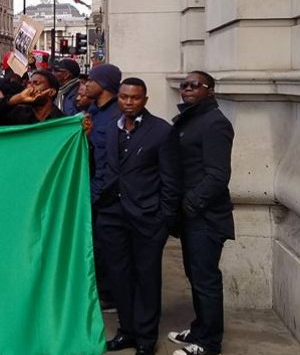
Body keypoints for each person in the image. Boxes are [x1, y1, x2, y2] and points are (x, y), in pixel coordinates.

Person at [95, 78, 181, 355]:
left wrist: (164, 218)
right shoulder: (110, 129)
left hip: (147, 218)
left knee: (146, 279)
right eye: (123, 97)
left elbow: (171, 180)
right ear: (117, 98)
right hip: (112, 216)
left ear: (145, 99)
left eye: (134, 98)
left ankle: (146, 338)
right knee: (119, 278)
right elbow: (105, 170)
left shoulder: (161, 131)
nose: (128, 102)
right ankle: (127, 331)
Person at [167, 71, 234, 355]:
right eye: (184, 85)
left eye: (196, 85)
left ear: (210, 90)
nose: (188, 89)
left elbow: (218, 176)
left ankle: (209, 343)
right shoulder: (192, 118)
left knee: (206, 280)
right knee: (195, 276)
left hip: (206, 217)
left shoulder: (215, 123)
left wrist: (190, 204)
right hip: (191, 216)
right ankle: (199, 328)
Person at [84, 63, 122, 312]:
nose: (86, 84)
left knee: (107, 248)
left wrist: (98, 194)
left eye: (91, 80)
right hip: (92, 189)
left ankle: (110, 296)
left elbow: (112, 161)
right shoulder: (93, 110)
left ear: (105, 85)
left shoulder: (117, 116)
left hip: (107, 195)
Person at [0, 70, 64, 127]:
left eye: (36, 83)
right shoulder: (17, 114)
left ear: (51, 92)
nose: (30, 88)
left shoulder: (62, 121)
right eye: (29, 83)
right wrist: (17, 98)